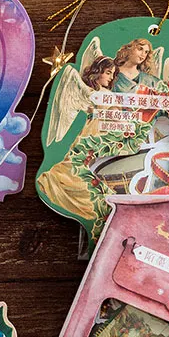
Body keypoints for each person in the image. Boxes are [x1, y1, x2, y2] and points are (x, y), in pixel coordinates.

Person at [36, 56, 118, 220]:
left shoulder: (106, 94)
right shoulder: (93, 93)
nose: (110, 78)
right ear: (98, 72)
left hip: (104, 133)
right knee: (80, 164)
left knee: (97, 166)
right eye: (108, 73)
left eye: (112, 74)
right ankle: (58, 184)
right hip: (93, 133)